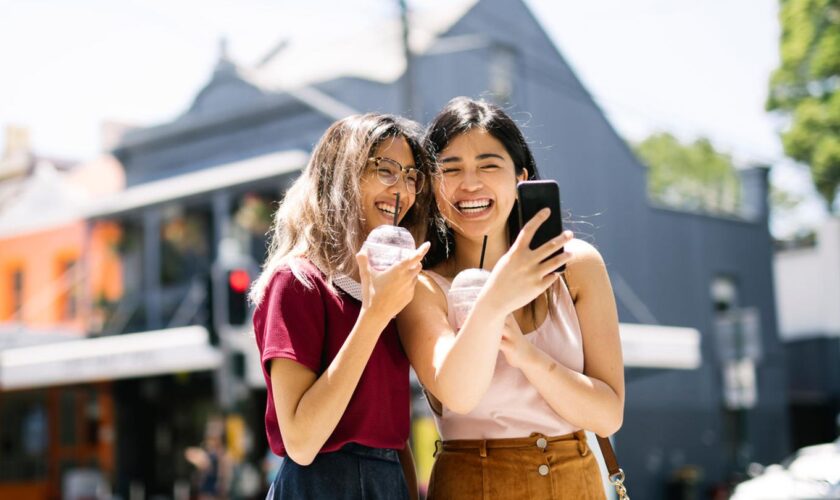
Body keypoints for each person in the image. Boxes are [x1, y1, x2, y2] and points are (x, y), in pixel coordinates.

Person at [397, 97, 625, 499]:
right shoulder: (422, 287)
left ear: (520, 177)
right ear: (432, 185)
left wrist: (526, 355)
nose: (470, 184)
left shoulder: (577, 267)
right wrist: (495, 300)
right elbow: (459, 395)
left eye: (488, 165)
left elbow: (607, 416)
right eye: (450, 169)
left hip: (576, 484)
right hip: (472, 485)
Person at [250, 113, 433, 500]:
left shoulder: (387, 291)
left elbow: (394, 438)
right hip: (319, 483)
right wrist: (374, 316)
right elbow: (301, 441)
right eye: (385, 169)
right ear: (342, 174)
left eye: (412, 176)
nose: (403, 188)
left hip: (389, 483)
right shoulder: (297, 281)